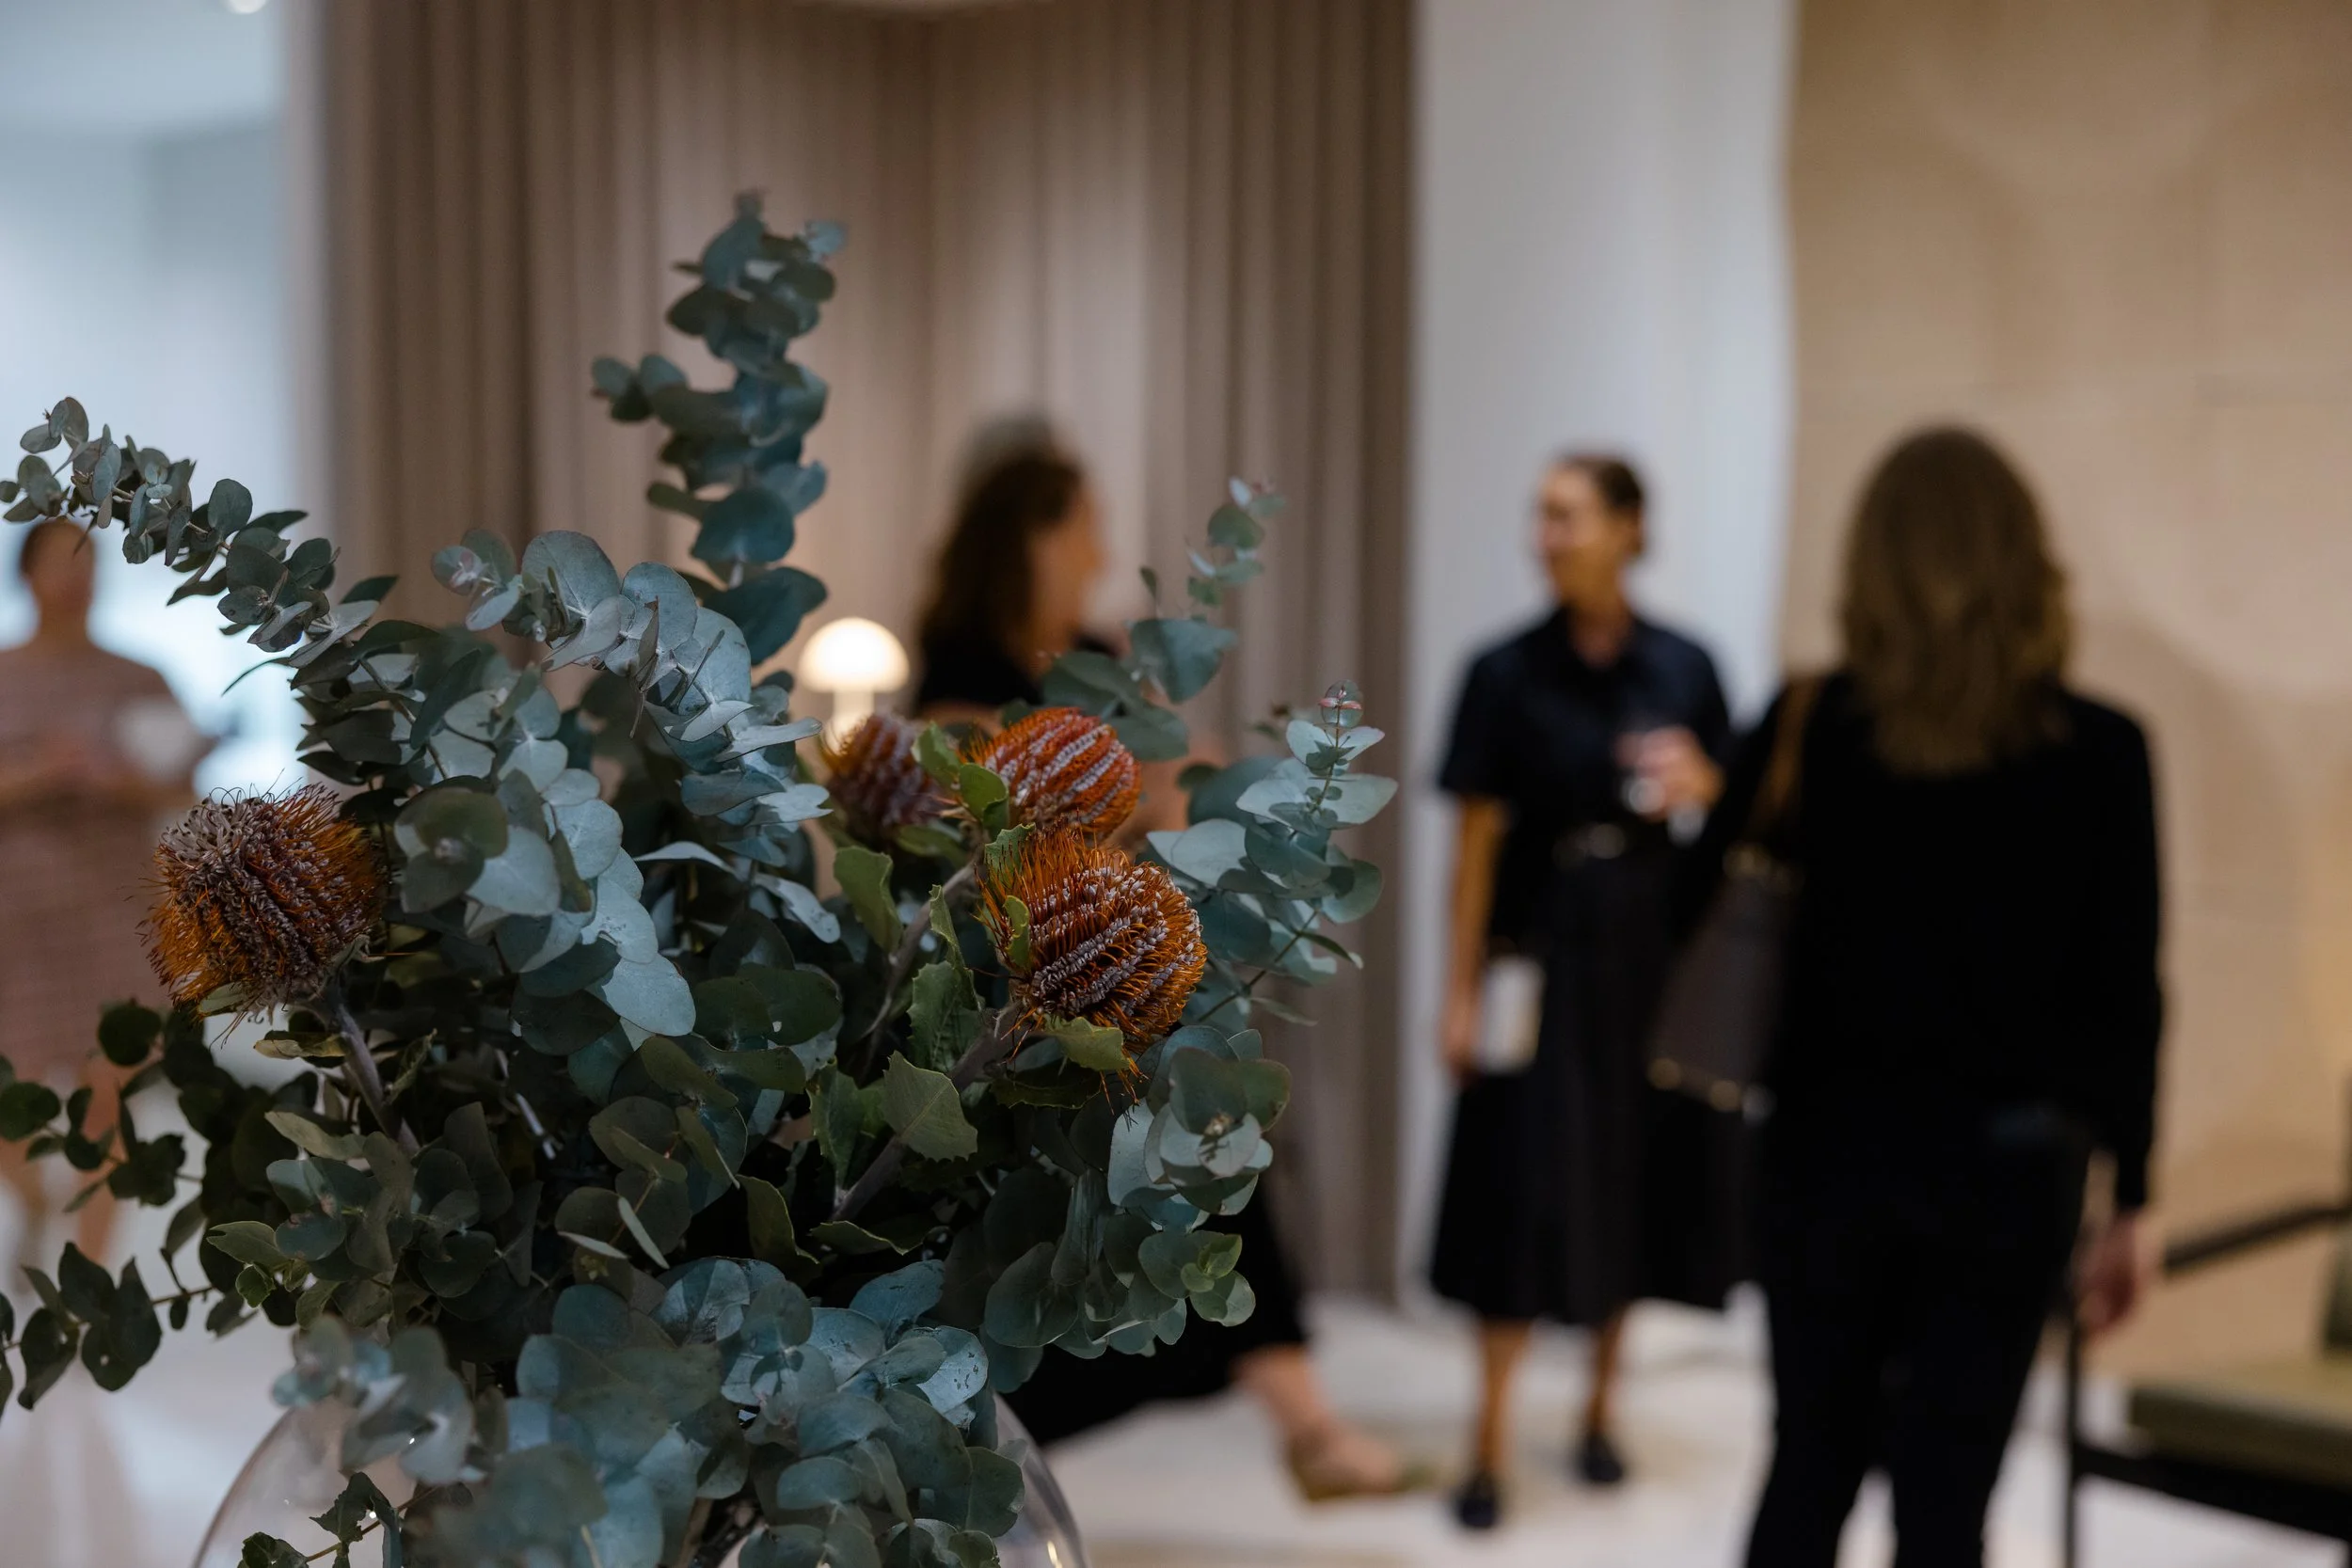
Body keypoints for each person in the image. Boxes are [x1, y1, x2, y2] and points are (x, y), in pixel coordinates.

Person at [914, 436, 1416, 1501]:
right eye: (1084, 522)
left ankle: (1303, 1424)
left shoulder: (1093, 652)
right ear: (1035, 536)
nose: (1100, 548)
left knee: (1206, 1158)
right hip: (1017, 982)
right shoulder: (961, 670)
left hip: (1116, 975)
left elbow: (1172, 789)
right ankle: (1294, 1425)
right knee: (1098, 1207)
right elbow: (986, 816)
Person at [1716, 428, 2161, 1567]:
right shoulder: (2103, 750)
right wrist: (2135, 1197)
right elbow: (2126, 993)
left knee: (1806, 1466)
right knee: (1947, 1496)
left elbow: (1695, 914)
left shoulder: (1806, 726)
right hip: (2009, 1173)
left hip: (1822, 1156)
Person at [1431, 453, 1740, 1529]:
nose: (1545, 534)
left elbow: (1731, 827)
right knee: (1511, 1187)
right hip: (1536, 959)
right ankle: (1484, 1436)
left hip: (1649, 963)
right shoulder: (1501, 672)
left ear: (1628, 528)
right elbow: (1472, 845)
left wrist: (1708, 785)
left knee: (1632, 1179)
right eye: (1539, 516)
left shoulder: (1686, 665)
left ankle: (1600, 1409)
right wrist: (1456, 989)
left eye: (1566, 515)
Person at [0, 520, 196, 1271]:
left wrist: (122, 781)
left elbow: (184, 782)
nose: (77, 578)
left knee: (107, 1100)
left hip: (113, 916)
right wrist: (42, 772)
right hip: (16, 922)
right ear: (27, 574)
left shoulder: (139, 678)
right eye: (61, 562)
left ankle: (90, 1289)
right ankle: (33, 1200)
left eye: (89, 562)